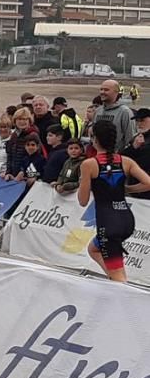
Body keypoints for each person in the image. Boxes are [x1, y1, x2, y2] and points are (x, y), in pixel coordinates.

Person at [78, 119, 150, 283]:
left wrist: (84, 180)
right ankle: (114, 278)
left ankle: (120, 291)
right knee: (93, 249)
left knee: (119, 278)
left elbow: (83, 201)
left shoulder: (89, 164)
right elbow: (148, 183)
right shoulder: (125, 161)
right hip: (126, 220)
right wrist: (128, 190)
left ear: (94, 139)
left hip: (108, 224)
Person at [95, 79, 135, 152]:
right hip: (98, 157)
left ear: (116, 92)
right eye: (101, 89)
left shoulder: (124, 112)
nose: (102, 92)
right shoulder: (98, 111)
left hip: (116, 157)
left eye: (106, 90)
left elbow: (130, 138)